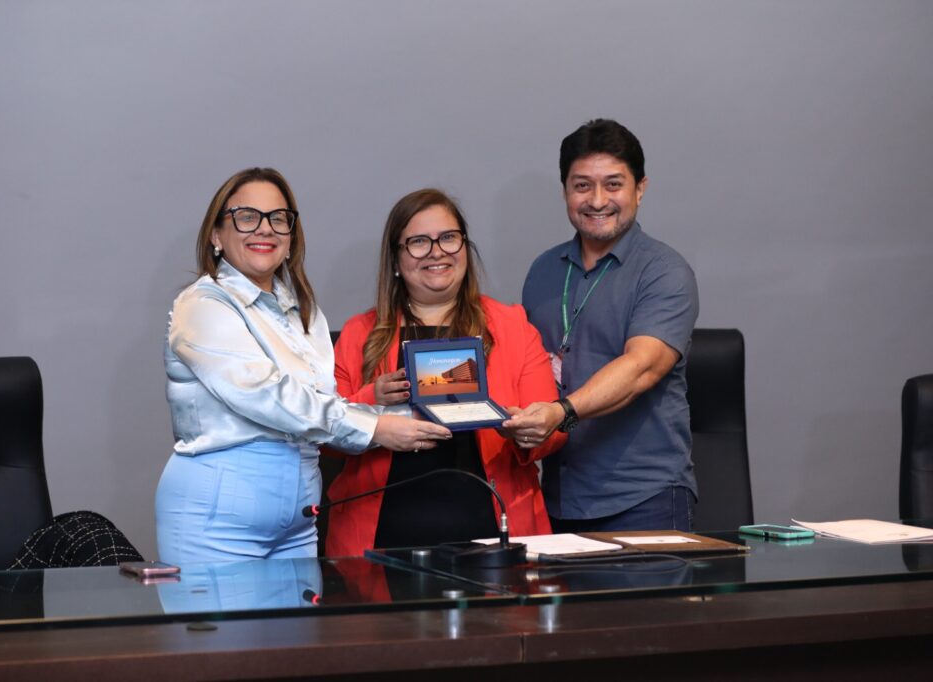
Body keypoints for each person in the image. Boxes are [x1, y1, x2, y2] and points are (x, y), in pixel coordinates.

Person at [156, 168, 451, 564]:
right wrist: (378, 425)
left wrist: (415, 417)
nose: (265, 229)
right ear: (216, 235)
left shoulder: (303, 313)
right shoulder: (203, 305)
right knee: (227, 629)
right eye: (247, 217)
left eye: (279, 218)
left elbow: (321, 407)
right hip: (218, 522)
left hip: (297, 526)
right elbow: (269, 396)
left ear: (291, 237)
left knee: (295, 628)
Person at [326, 189, 566, 557]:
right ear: (396, 258)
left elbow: (552, 434)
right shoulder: (360, 334)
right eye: (419, 242)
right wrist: (369, 400)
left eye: (449, 238)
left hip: (494, 536)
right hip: (379, 540)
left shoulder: (513, 327)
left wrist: (529, 428)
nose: (437, 251)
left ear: (465, 249)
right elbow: (326, 436)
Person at [505, 119, 700, 532]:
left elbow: (641, 368)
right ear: (565, 191)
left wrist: (562, 412)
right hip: (556, 499)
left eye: (613, 184)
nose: (597, 200)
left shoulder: (664, 271)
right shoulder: (543, 270)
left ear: (640, 189)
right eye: (581, 186)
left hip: (644, 499)